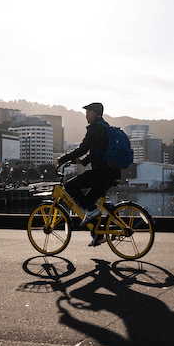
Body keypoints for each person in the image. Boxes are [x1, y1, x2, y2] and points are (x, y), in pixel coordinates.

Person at [57, 102, 121, 245]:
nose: (86, 115)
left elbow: (83, 148)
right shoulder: (105, 127)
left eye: (87, 112)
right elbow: (96, 150)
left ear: (93, 113)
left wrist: (63, 159)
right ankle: (98, 236)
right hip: (113, 173)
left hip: (102, 173)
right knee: (90, 201)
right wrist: (81, 162)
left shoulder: (94, 127)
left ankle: (92, 214)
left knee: (70, 186)